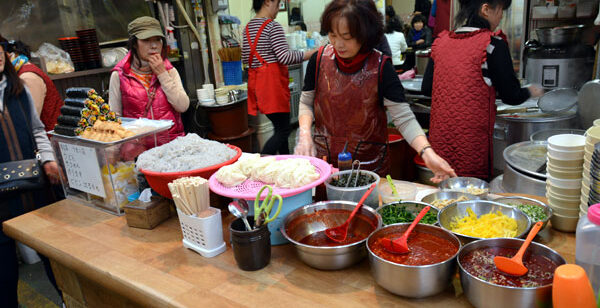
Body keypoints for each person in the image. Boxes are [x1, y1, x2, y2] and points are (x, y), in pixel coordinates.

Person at [294, 0, 455, 182]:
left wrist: (426, 152)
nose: (338, 44)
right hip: (325, 164)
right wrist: (305, 133)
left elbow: (403, 118)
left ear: (365, 34)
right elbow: (307, 102)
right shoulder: (319, 60)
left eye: (347, 37)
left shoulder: (381, 67)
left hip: (368, 167)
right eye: (333, 35)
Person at [421, 0, 544, 180]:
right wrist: (531, 91)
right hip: (471, 147)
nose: (501, 15)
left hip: (440, 147)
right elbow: (512, 95)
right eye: (500, 9)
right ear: (485, 9)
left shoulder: (440, 42)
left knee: (443, 193)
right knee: (471, 195)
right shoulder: (492, 44)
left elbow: (426, 89)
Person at [0, 41, 62, 307]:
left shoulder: (18, 90)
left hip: (33, 187)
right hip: (1, 199)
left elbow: (37, 130)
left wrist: (48, 160)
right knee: (4, 270)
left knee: (51, 253)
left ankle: (66, 300)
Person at [243, 0, 316, 155]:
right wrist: (313, 53)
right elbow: (285, 57)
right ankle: (260, 161)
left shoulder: (248, 28)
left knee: (279, 127)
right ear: (268, 2)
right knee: (283, 130)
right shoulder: (272, 26)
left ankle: (285, 163)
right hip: (272, 86)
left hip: (258, 86)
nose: (278, 8)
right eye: (278, 3)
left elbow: (245, 59)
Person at [109, 16, 189, 148]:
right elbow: (114, 119)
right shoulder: (119, 75)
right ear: (134, 43)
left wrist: (162, 74)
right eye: (146, 40)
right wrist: (115, 152)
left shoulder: (170, 71)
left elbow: (182, 106)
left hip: (173, 148)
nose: (153, 46)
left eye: (157, 40)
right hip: (138, 152)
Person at [0, 38, 64, 132]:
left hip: (49, 138)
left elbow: (29, 123)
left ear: (8, 55)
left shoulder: (27, 77)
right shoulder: (12, 76)